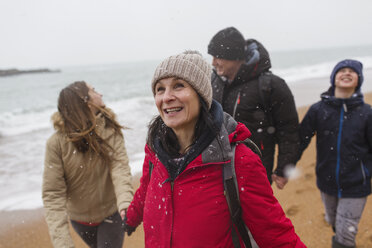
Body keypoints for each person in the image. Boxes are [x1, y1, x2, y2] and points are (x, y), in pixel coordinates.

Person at [122, 50, 306, 247]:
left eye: (178, 86)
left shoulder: (237, 160)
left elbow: (277, 236)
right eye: (160, 89)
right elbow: (145, 190)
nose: (166, 97)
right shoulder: (155, 151)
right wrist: (129, 218)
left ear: (201, 95)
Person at [42, 81, 133, 248]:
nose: (100, 94)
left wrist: (125, 203)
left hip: (112, 213)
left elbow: (119, 167)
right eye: (94, 91)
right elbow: (53, 194)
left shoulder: (110, 129)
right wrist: (63, 243)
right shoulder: (56, 143)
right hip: (80, 220)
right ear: (85, 101)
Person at [207, 27, 300, 189]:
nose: (213, 62)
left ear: (235, 57)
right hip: (215, 170)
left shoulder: (271, 85)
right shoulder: (212, 82)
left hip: (255, 172)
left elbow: (289, 131)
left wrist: (284, 168)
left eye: (218, 57)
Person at [298, 59, 372, 248]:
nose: (346, 73)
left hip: (356, 185)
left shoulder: (367, 113)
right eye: (342, 71)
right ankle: (337, 228)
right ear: (334, 78)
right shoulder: (318, 110)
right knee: (333, 221)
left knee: (345, 235)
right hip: (326, 182)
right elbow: (300, 140)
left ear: (358, 80)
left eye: (352, 72)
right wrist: (284, 166)